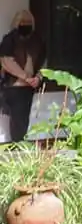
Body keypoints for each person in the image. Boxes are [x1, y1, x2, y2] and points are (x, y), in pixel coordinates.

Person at [0, 11, 45, 143]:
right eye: (23, 23)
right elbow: (6, 61)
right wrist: (25, 77)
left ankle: (21, 144)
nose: (26, 25)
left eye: (28, 23)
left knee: (25, 117)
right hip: (14, 86)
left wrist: (38, 77)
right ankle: (18, 144)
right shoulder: (9, 39)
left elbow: (44, 62)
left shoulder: (38, 40)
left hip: (30, 87)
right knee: (17, 118)